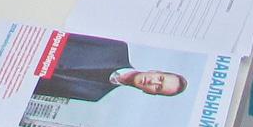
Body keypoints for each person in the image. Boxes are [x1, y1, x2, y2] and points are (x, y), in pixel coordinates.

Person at [32, 35, 187, 104]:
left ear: (150, 93)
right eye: (160, 78)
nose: (153, 82)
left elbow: (37, 91)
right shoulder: (115, 47)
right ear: (155, 71)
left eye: (158, 88)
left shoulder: (94, 95)